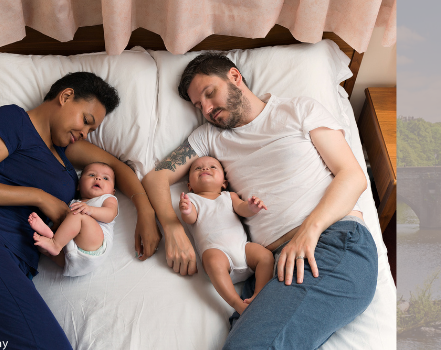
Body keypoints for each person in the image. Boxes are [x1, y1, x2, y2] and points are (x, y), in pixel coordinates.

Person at [142, 54, 378, 349]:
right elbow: (155, 178)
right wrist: (173, 228)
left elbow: (353, 176)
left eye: (209, 93)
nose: (207, 109)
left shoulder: (298, 110)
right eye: (198, 105)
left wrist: (309, 231)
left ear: (235, 76)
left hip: (331, 243)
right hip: (273, 265)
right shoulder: (208, 137)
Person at [0, 72, 158, 349]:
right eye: (86, 121)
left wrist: (146, 212)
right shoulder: (14, 121)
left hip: (1, 259)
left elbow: (117, 168)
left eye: (91, 131)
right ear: (66, 96)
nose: (84, 133)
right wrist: (39, 197)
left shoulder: (66, 152)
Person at [178, 156, 273, 315]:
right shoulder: (192, 199)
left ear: (224, 183)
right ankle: (237, 303)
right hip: (218, 253)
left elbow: (242, 209)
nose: (205, 169)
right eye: (198, 168)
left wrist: (252, 208)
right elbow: (191, 218)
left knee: (266, 256)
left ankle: (259, 293)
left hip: (243, 249)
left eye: (212, 167)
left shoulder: (229, 196)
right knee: (212, 261)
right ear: (190, 186)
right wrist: (186, 210)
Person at [29, 161, 119, 277]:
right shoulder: (73, 203)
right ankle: (49, 236)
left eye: (105, 178)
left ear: (113, 191)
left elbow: (110, 214)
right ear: (78, 185)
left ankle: (54, 243)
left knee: (79, 215)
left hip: (95, 245)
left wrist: (90, 210)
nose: (98, 178)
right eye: (92, 175)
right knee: (41, 246)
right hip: (69, 259)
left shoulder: (108, 198)